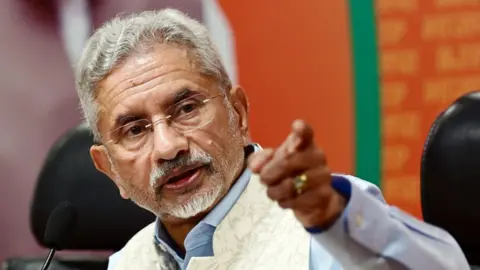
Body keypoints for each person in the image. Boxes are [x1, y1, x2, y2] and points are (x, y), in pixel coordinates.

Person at [74, 8, 468, 270]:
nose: (167, 146)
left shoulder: (326, 222)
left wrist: (335, 220)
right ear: (109, 168)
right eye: (135, 130)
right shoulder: (127, 262)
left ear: (238, 113)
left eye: (187, 109)